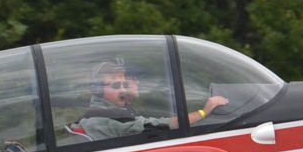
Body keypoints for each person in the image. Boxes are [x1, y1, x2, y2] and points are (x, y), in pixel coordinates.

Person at [78, 60, 228, 140]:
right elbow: (158, 126)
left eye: (124, 84)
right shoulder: (111, 119)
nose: (123, 90)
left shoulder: (106, 112)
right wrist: (203, 112)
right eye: (117, 85)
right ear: (97, 90)